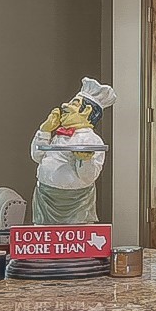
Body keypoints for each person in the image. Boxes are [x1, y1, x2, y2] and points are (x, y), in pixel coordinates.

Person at [31, 78, 115, 224]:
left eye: (73, 103)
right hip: (45, 197)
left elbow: (88, 177)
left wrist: (85, 160)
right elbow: (36, 156)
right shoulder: (58, 134)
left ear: (87, 110)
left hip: (77, 202)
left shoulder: (92, 141)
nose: (65, 105)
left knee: (75, 239)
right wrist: (44, 131)